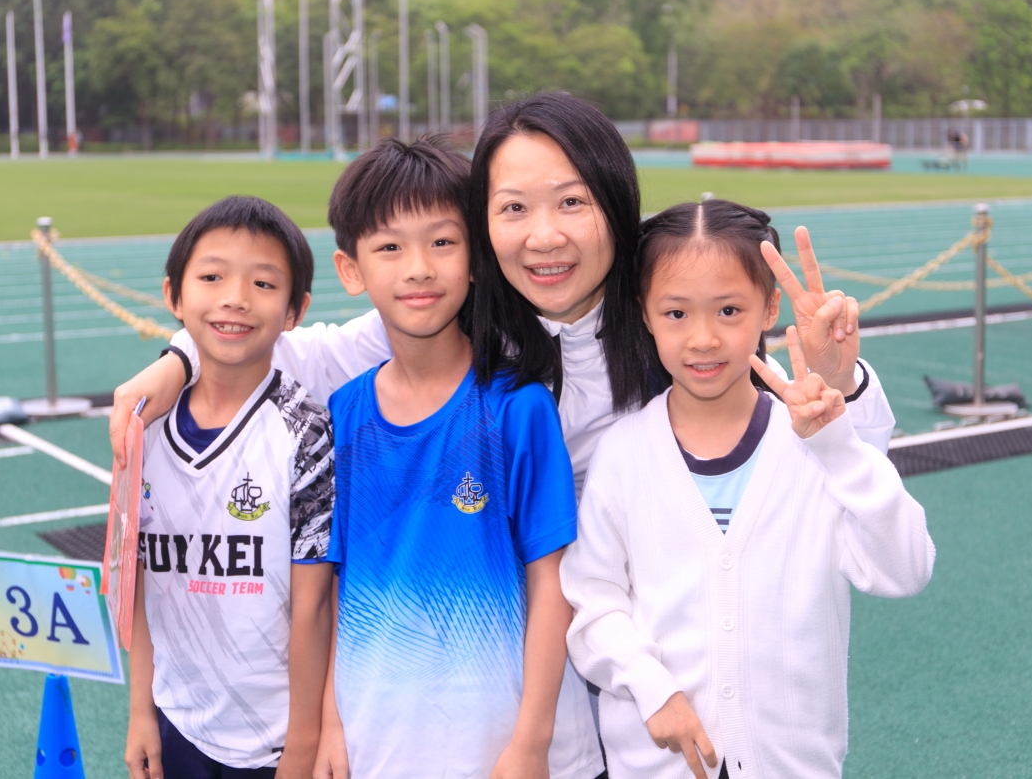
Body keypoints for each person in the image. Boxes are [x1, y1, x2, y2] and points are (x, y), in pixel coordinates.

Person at [110, 94, 896, 492]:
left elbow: (855, 469)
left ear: (616, 203)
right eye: (514, 208)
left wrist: (841, 382)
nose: (543, 237)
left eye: (572, 202)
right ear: (484, 224)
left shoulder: (670, 320)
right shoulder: (455, 323)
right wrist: (177, 361)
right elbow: (286, 351)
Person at [559, 200, 935, 779]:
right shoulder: (623, 453)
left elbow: (905, 568)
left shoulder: (814, 446)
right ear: (644, 313)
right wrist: (652, 688)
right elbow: (594, 599)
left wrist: (837, 441)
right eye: (676, 313)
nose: (703, 338)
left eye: (729, 310)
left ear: (770, 308)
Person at [311, 138, 603, 779]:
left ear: (475, 259)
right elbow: (337, 582)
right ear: (350, 269)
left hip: (501, 746)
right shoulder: (344, 414)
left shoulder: (517, 407)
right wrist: (332, 723)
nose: (419, 268)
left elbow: (552, 582)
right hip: (377, 738)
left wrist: (531, 744)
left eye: (442, 242)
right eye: (390, 247)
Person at [124, 196, 336, 779]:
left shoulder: (306, 432)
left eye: (263, 283)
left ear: (295, 310)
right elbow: (137, 580)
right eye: (212, 277)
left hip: (275, 739)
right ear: (173, 296)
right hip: (176, 718)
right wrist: (141, 710)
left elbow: (316, 604)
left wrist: (303, 745)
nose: (236, 298)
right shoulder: (143, 427)